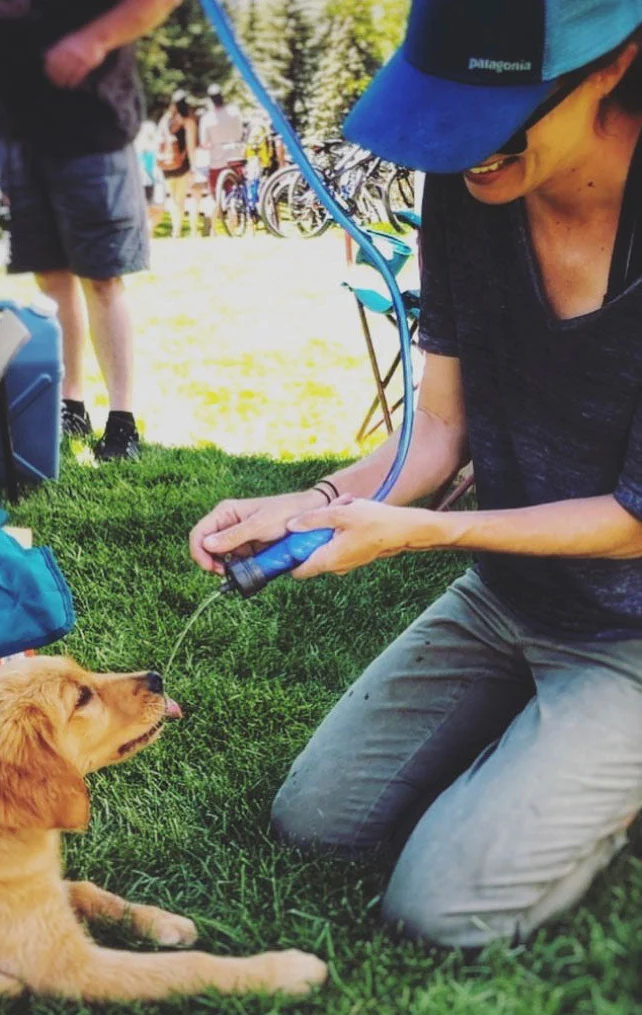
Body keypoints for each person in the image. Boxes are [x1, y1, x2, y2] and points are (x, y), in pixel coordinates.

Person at [190, 0, 642, 950]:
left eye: (493, 120)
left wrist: (431, 532)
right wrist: (310, 502)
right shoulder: (470, 189)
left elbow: (635, 520)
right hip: (512, 593)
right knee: (314, 822)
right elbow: (437, 432)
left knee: (440, 911)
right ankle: (552, 728)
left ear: (612, 65)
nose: (465, 152)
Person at [0, 0, 183, 461]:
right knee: (51, 277)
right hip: (17, 132)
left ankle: (122, 422)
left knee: (103, 278)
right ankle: (70, 404)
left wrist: (94, 39)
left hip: (90, 128)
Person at [158, 90, 198, 239]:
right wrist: (194, 167)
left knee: (173, 198)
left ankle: (176, 231)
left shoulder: (165, 119)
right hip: (182, 165)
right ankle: (180, 230)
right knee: (181, 199)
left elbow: (159, 141)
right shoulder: (187, 121)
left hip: (167, 165)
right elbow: (191, 146)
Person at [198, 84, 243, 196]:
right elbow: (241, 132)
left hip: (217, 160)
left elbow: (204, 143)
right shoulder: (234, 112)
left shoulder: (207, 118)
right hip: (235, 156)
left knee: (215, 192)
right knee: (239, 190)